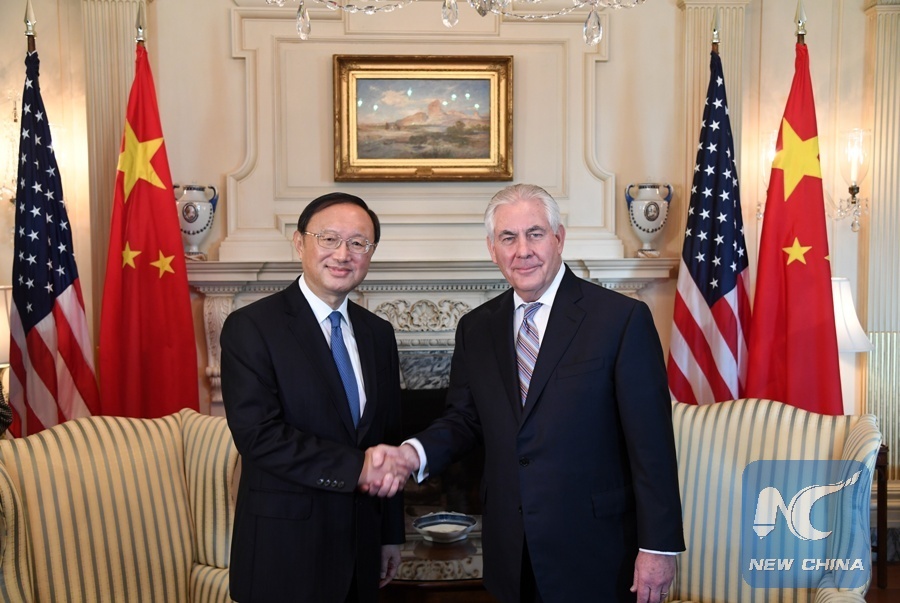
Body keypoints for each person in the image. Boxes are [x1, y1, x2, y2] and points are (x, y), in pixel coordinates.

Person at [380, 184, 685, 602]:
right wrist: (413, 453)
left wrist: (658, 547)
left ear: (558, 238)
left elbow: (651, 445)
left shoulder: (620, 319)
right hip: (511, 551)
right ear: (492, 248)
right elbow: (464, 419)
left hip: (597, 551)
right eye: (508, 237)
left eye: (535, 234)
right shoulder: (477, 328)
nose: (522, 250)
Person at [221, 192, 411, 603]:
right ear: (299, 242)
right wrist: (357, 468)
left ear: (370, 253)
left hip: (361, 550)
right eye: (329, 238)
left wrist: (390, 534)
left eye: (358, 243)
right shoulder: (251, 327)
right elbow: (260, 436)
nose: (343, 254)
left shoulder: (379, 334)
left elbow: (389, 438)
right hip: (284, 554)